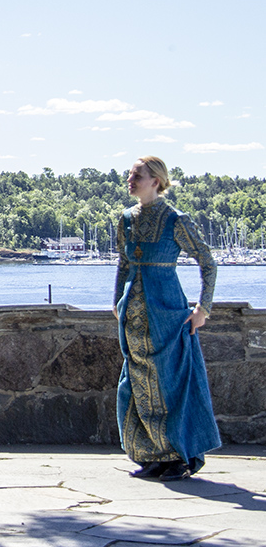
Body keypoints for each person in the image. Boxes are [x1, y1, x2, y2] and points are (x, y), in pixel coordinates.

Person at [114, 156, 220, 481]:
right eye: (130, 174)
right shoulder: (126, 219)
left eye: (137, 175)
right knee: (137, 383)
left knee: (170, 384)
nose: (130, 179)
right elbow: (123, 263)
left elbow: (208, 262)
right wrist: (117, 301)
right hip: (133, 313)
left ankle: (179, 457)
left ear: (155, 181)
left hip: (168, 311)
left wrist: (203, 308)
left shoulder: (176, 220)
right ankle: (151, 455)